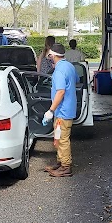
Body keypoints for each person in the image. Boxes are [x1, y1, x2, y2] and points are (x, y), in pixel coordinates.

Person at [42, 44, 78, 177]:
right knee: (57, 137)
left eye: (49, 55)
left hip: (62, 112)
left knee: (62, 139)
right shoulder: (69, 66)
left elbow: (61, 91)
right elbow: (76, 80)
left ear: (52, 55)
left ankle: (65, 167)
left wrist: (51, 110)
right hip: (65, 110)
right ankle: (60, 162)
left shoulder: (59, 71)